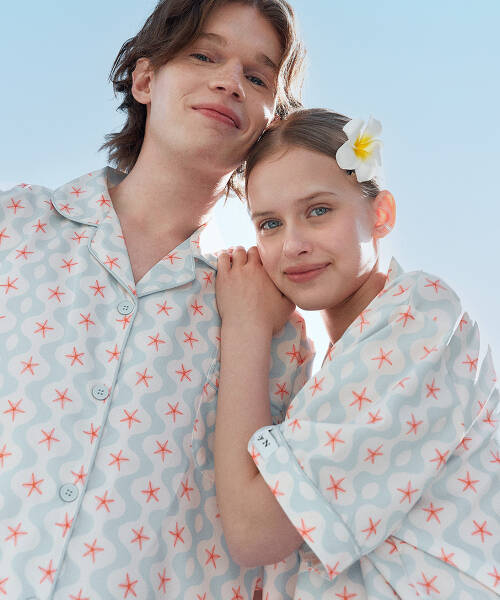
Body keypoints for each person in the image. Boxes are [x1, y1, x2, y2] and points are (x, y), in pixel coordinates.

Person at [0, 2, 313, 598]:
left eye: (257, 77)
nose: (230, 82)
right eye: (205, 55)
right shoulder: (14, 225)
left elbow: (273, 559)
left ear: (270, 124)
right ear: (145, 79)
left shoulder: (276, 329)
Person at [215, 108, 500, 599]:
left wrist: (245, 328)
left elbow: (253, 531)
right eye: (270, 223)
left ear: (380, 214)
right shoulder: (332, 369)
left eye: (318, 210)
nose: (293, 245)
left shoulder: (420, 313)